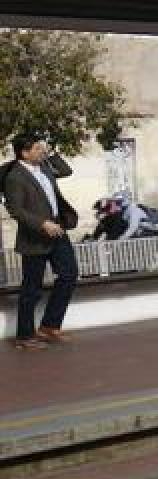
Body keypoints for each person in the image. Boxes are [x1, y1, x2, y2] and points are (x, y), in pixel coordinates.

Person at [2, 134, 79, 350]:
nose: (41, 151)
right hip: (35, 236)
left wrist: (51, 153)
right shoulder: (15, 177)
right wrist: (42, 224)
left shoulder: (45, 167)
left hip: (58, 231)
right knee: (32, 288)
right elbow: (16, 209)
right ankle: (24, 337)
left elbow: (66, 171)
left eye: (41, 148)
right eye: (37, 148)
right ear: (24, 153)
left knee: (69, 274)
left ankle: (49, 326)